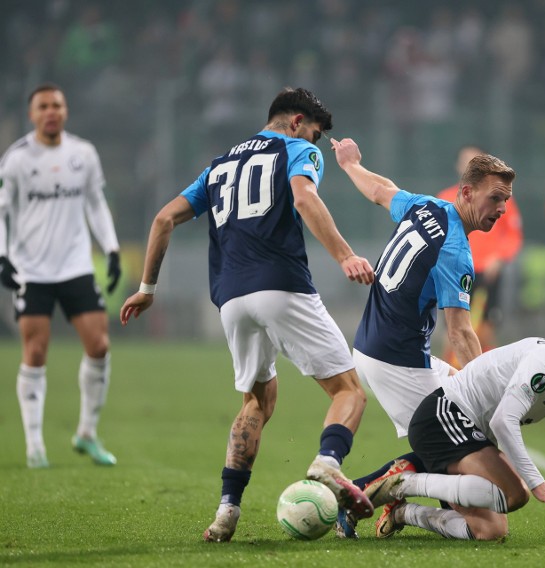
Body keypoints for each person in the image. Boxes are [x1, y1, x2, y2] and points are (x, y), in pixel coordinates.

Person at [119, 87, 376, 542]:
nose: (314, 144)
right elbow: (303, 199)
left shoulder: (219, 164)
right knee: (349, 391)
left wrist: (146, 289)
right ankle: (327, 465)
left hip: (231, 299)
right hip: (281, 286)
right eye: (314, 134)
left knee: (257, 400)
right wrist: (345, 256)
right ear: (297, 122)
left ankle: (226, 512)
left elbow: (162, 219)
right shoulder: (297, 150)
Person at [330, 136, 515, 537]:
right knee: (488, 525)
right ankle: (370, 494)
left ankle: (410, 488)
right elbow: (462, 333)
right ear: (467, 191)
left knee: (469, 432)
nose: (502, 209)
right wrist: (489, 396)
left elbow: (380, 190)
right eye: (495, 198)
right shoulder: (456, 252)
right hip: (400, 364)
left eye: (507, 200)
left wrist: (350, 165)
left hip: (380, 349)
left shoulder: (427, 206)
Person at [362, 317, 545, 540]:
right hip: (443, 415)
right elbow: (504, 420)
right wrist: (536, 482)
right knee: (516, 493)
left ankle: (402, 514)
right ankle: (401, 483)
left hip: (465, 431)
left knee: (489, 531)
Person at [0, 83, 122, 469]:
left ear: (65, 111)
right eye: (43, 106)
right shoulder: (17, 159)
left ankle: (86, 433)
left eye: (57, 105)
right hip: (31, 269)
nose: (51, 111)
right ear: (32, 114)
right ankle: (35, 446)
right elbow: (2, 212)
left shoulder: (83, 154)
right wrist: (2, 256)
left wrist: (113, 248)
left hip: (75, 266)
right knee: (35, 352)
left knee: (99, 346)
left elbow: (96, 203)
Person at [437, 145, 523, 359]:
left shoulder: (500, 199)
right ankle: (452, 378)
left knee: (485, 328)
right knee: (452, 325)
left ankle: (485, 374)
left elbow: (512, 234)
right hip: (454, 271)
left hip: (487, 271)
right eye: (465, 161)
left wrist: (500, 257)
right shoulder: (446, 198)